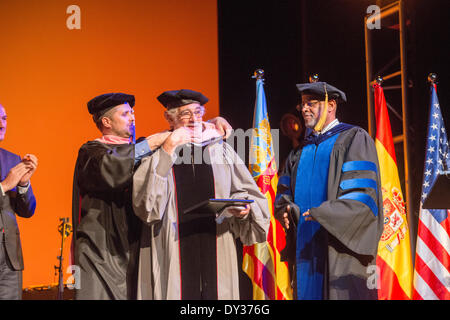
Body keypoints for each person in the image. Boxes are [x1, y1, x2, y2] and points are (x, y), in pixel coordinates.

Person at [72, 92, 232, 300]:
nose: (133, 118)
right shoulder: (91, 152)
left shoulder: (140, 148)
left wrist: (211, 122)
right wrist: (156, 140)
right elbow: (112, 167)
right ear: (106, 121)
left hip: (135, 247)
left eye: (133, 113)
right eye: (126, 114)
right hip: (101, 250)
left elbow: (172, 136)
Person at [132, 89, 270, 300]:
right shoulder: (157, 153)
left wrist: (242, 209)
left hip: (216, 239)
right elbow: (147, 207)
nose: (193, 119)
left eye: (197, 112)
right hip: (173, 244)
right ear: (170, 118)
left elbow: (246, 191)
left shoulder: (220, 149)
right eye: (185, 113)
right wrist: (168, 149)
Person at [274, 81, 384, 300]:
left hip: (340, 251)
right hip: (306, 250)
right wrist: (285, 210)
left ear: (331, 105)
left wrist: (324, 213)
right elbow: (284, 190)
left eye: (311, 104)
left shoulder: (354, 139)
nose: (304, 109)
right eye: (302, 104)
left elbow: (362, 197)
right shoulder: (298, 153)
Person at [0, 104, 37, 300]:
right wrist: (4, 186)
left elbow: (27, 210)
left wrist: (23, 183)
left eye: (4, 118)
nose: (1, 124)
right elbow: (5, 188)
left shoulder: (11, 158)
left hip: (9, 260)